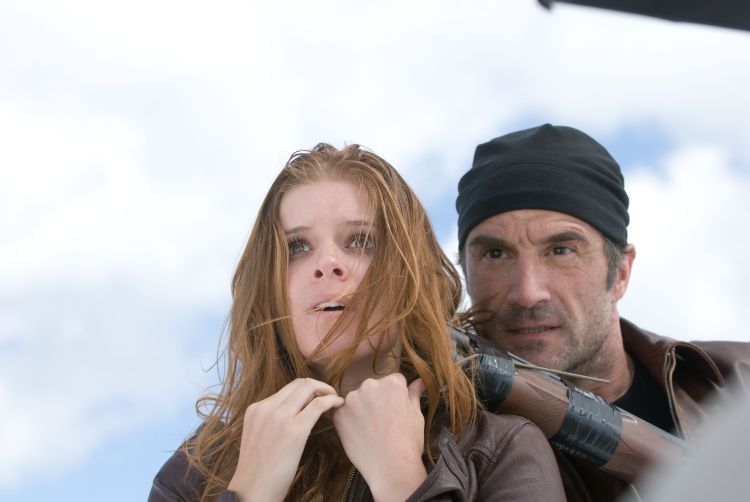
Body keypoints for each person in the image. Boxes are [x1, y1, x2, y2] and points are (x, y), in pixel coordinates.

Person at [149, 144, 566, 502]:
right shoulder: (196, 469)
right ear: (269, 286)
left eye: (361, 241)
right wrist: (248, 493)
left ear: (411, 276)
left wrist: (400, 479)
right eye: (297, 246)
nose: (327, 264)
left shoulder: (502, 451)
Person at [455, 123, 750, 501]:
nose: (527, 293)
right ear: (465, 271)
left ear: (621, 272)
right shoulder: (435, 443)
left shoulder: (738, 382)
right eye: (495, 254)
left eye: (561, 250)